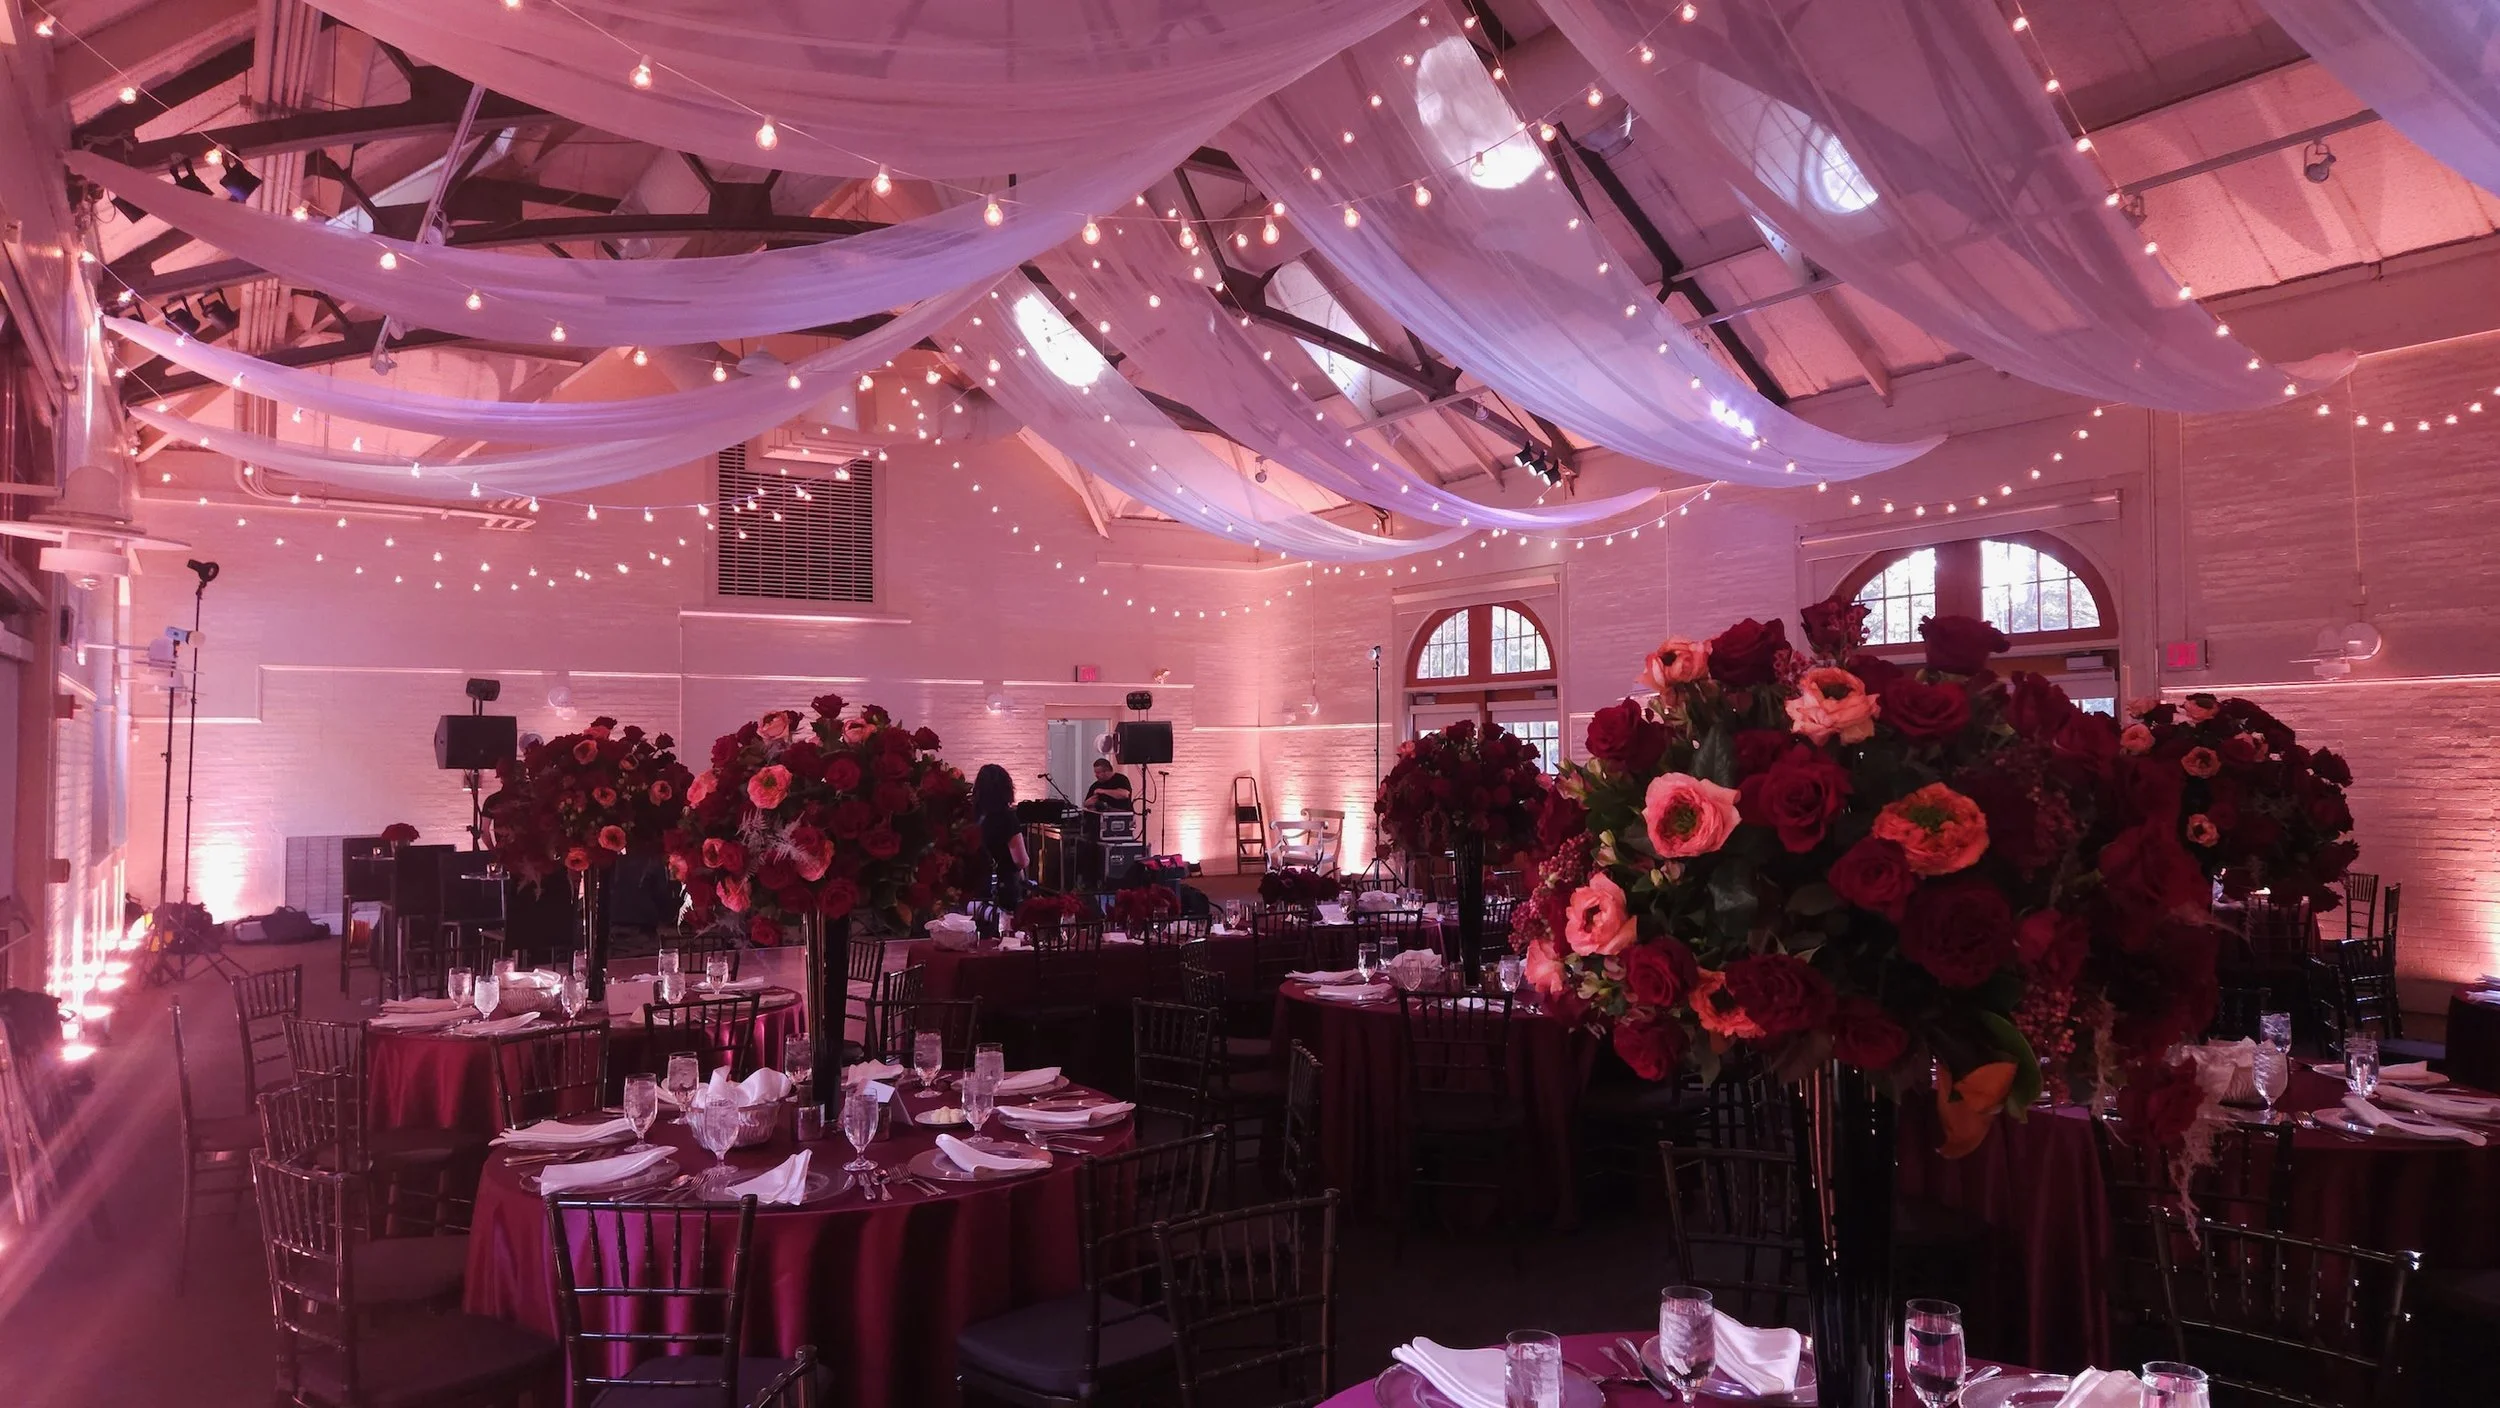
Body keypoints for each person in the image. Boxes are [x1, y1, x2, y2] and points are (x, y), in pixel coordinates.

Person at [971, 764, 1028, 907]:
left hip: (976, 887)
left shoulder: (973, 815)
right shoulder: (1007, 817)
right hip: (1002, 890)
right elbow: (1021, 860)